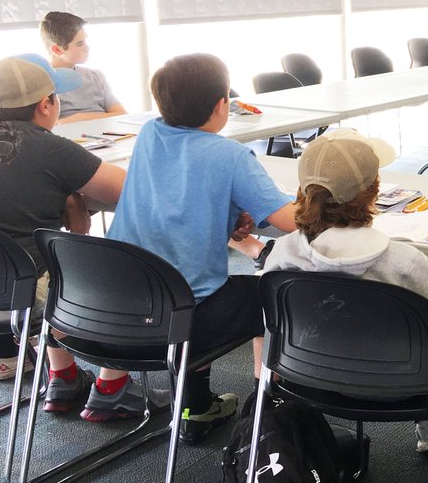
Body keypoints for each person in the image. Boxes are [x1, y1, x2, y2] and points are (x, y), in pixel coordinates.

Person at [262, 130, 428, 454]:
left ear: (301, 191)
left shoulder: (281, 254)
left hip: (314, 379)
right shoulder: (405, 262)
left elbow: (274, 327)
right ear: (374, 191)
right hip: (398, 386)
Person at [0, 55, 160, 420]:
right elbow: (135, 192)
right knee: (125, 259)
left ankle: (63, 377)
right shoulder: (50, 148)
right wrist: (71, 195)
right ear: (46, 104)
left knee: (38, 257)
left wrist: (65, 195)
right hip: (20, 302)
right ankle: (112, 387)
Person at [106, 54, 296, 443]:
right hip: (180, 320)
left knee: (189, 284)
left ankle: (195, 407)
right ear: (221, 104)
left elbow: (179, 199)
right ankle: (268, 408)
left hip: (116, 306)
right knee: (275, 294)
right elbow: (291, 221)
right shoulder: (230, 155)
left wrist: (231, 210)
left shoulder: (149, 135)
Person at [38, 11, 127, 123]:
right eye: (80, 44)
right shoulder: (42, 84)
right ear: (57, 50)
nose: (87, 48)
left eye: (85, 41)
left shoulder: (96, 76)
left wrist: (81, 118)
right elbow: (48, 126)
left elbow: (121, 114)